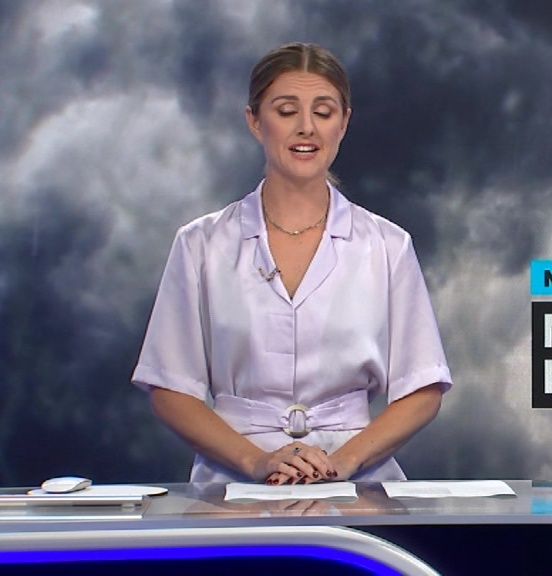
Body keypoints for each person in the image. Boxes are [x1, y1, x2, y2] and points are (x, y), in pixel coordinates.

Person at [132, 42, 452, 485]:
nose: (307, 128)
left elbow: (423, 387)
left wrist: (343, 462)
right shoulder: (200, 244)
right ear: (254, 121)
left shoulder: (388, 245)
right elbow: (170, 387)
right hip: (232, 483)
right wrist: (255, 462)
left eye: (323, 112)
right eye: (286, 111)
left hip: (358, 481)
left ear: (344, 123)